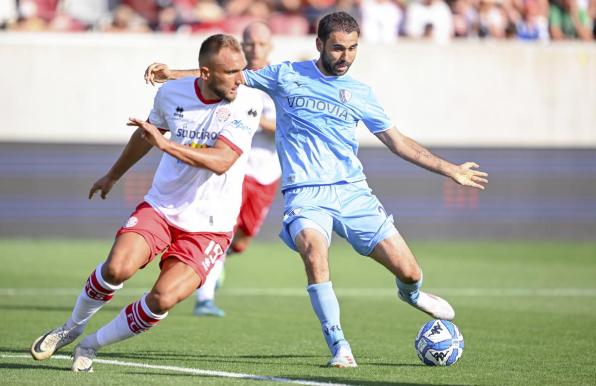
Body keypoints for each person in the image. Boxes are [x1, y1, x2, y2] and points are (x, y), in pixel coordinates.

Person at [145, 11, 488, 368]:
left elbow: (399, 143)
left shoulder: (360, 93)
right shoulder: (286, 75)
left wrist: (450, 169)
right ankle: (340, 345)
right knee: (314, 252)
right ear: (320, 44)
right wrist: (173, 74)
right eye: (338, 48)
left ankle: (412, 294)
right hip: (305, 194)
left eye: (353, 48)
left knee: (410, 271)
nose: (346, 56)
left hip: (353, 193)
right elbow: (225, 74)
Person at [30, 34, 263, 372]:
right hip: (162, 206)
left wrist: (165, 145)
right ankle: (72, 326)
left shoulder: (247, 101)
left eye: (241, 70)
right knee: (116, 267)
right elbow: (146, 136)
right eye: (230, 71)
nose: (239, 78)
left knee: (162, 298)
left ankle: (91, 344)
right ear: (205, 73)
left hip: (211, 227)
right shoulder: (171, 93)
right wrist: (113, 175)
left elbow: (221, 160)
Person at [193, 21, 281, 317]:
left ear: (270, 46)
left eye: (261, 44)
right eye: (249, 44)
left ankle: (218, 260)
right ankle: (204, 297)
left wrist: (256, 120)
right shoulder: (232, 77)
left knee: (242, 239)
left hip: (267, 172)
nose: (255, 49)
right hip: (234, 166)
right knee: (224, 228)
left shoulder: (279, 80)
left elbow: (284, 127)